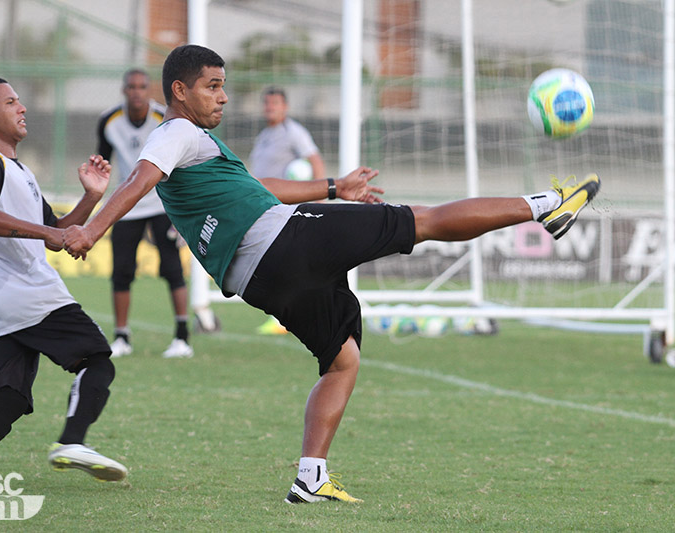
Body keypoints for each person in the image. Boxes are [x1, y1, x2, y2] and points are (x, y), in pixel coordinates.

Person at [61, 45, 600, 504]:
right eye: (213, 86)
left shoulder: (199, 148)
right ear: (179, 91)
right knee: (425, 221)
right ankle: (547, 204)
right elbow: (140, 178)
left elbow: (262, 187)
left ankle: (310, 479)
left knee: (342, 360)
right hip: (288, 243)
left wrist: (335, 188)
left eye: (224, 87)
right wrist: (91, 231)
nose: (223, 97)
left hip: (259, 279)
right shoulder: (174, 132)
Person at [0, 77, 127, 491]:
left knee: (10, 399)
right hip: (29, 294)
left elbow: (55, 232)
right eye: (11, 101)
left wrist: (90, 198)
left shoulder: (17, 169)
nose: (23, 108)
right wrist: (47, 235)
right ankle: (72, 443)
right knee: (97, 360)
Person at [97, 68, 193, 359]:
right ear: (124, 90)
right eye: (131, 87)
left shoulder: (163, 118)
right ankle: (122, 337)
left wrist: (183, 210)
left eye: (142, 86)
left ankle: (182, 337)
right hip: (128, 205)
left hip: (161, 203)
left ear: (149, 90)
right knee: (122, 272)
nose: (137, 92)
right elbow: (103, 161)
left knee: (172, 269)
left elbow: (180, 162)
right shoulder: (109, 121)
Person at [249, 86, 327, 335]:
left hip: (286, 208)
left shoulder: (294, 132)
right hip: (264, 208)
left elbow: (315, 161)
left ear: (285, 107)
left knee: (286, 261)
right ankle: (289, 314)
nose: (270, 107)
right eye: (267, 103)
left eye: (275, 103)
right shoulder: (263, 136)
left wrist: (320, 197)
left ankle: (288, 317)